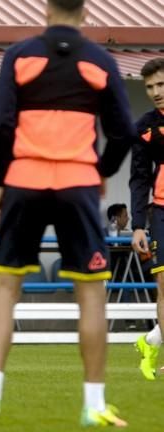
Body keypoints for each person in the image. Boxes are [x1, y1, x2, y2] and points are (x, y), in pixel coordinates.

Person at [0, 0, 135, 427]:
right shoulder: (100, 59)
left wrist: (4, 177)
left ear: (46, 9)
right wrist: (100, 172)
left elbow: (1, 122)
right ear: (85, 13)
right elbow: (124, 131)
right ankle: (93, 406)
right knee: (91, 294)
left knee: (5, 287)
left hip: (24, 179)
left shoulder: (20, 54)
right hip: (77, 184)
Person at [130, 57, 164, 381]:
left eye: (161, 85)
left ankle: (151, 340)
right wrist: (138, 224)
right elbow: (139, 178)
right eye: (150, 87)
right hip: (162, 214)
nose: (156, 92)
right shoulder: (144, 127)